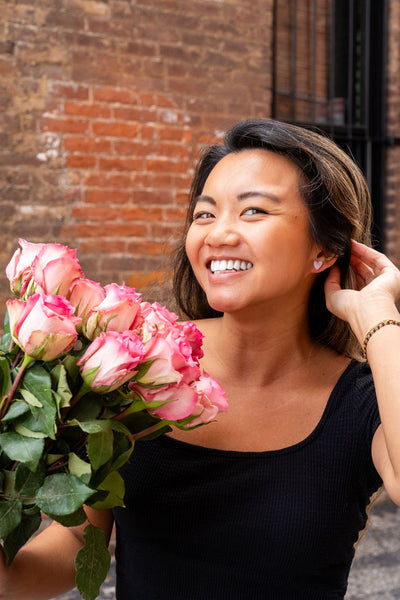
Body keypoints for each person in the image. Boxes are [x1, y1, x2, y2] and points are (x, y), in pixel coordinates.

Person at [2, 118, 400, 599]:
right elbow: (75, 539)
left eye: (253, 211)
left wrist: (378, 316)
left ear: (325, 249)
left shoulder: (363, 399)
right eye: (205, 214)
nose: (218, 235)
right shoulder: (136, 360)